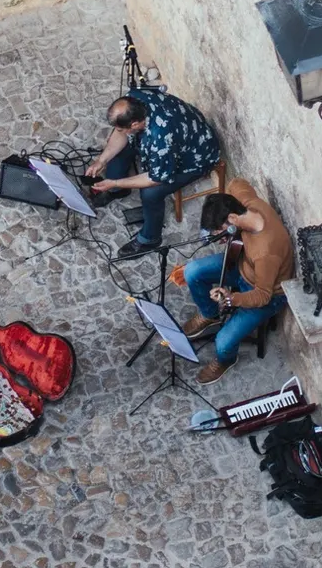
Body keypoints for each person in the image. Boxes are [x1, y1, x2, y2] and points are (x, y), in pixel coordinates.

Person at [85, 88, 221, 260]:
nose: (119, 131)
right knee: (123, 148)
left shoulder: (161, 136)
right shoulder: (134, 98)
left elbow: (155, 178)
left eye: (122, 129)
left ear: (134, 124)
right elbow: (122, 135)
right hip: (176, 139)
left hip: (196, 157)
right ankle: (117, 191)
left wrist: (116, 182)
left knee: (150, 193)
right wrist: (101, 160)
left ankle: (150, 238)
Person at [181, 181, 292, 385]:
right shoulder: (245, 204)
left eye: (220, 231)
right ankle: (210, 313)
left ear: (232, 218)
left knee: (222, 342)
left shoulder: (266, 251)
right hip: (241, 266)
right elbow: (236, 183)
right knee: (192, 271)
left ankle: (227, 360)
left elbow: (262, 295)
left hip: (267, 294)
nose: (220, 236)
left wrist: (231, 298)